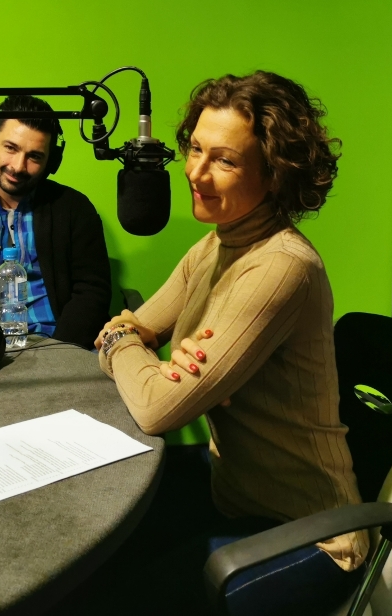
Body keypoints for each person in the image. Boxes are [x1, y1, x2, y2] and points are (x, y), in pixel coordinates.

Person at [92, 71, 367, 614]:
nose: (195, 172)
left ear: (275, 174)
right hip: (236, 498)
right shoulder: (216, 245)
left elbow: (156, 408)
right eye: (195, 149)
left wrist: (134, 350)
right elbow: (126, 330)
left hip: (310, 537)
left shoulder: (280, 267)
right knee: (99, 543)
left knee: (117, 598)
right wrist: (137, 346)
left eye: (225, 160)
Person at [0, 95, 112, 349]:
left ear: (51, 161)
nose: (18, 166)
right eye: (10, 148)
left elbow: (92, 292)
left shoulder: (75, 210)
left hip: (65, 344)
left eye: (34, 157)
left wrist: (59, 353)